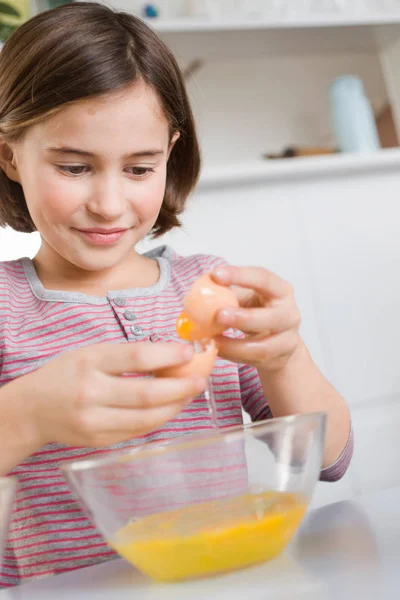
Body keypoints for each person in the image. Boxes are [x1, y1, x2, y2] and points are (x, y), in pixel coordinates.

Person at [0, 2, 352, 587]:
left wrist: (286, 359)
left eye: (139, 169)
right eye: (75, 167)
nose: (110, 204)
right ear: (10, 154)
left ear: (170, 151)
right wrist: (26, 415)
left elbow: (330, 460)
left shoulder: (208, 287)